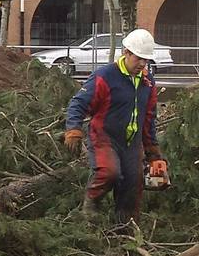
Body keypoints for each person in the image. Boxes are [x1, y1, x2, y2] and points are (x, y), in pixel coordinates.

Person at [65, 28, 172, 225]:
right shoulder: (105, 77)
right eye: (138, 58)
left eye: (145, 60)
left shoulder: (148, 82)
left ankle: (125, 228)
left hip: (132, 143)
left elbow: (148, 118)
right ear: (126, 52)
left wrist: (153, 151)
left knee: (133, 183)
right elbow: (78, 103)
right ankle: (90, 207)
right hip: (104, 137)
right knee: (109, 172)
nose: (142, 63)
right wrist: (74, 129)